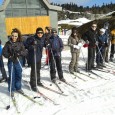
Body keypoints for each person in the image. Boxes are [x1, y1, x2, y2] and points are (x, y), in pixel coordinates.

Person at [2, 28, 28, 96]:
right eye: (13, 36)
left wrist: (19, 53)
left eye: (15, 36)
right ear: (11, 35)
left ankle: (18, 88)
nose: (14, 37)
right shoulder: (8, 43)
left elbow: (25, 52)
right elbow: (4, 52)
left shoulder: (20, 43)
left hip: (19, 61)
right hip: (11, 61)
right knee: (12, 76)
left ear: (18, 36)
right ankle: (12, 89)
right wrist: (9, 56)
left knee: (18, 75)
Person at [25, 27, 45, 91]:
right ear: (36, 33)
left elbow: (44, 44)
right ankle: (33, 84)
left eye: (41, 33)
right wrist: (32, 45)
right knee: (34, 71)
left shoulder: (42, 39)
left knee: (38, 70)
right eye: (38, 33)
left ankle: (38, 80)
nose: (40, 34)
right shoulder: (32, 38)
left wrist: (47, 44)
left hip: (39, 57)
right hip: (33, 57)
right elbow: (25, 45)